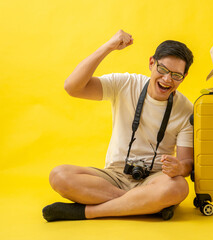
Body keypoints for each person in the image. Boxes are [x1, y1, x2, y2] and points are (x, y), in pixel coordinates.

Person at [42, 29, 194, 221]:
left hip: (155, 179)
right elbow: (72, 87)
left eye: (176, 75)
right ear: (151, 63)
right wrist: (108, 47)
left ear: (185, 76)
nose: (167, 79)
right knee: (59, 175)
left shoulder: (186, 110)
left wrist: (179, 168)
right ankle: (148, 206)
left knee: (179, 187)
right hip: (114, 175)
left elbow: (187, 163)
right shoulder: (126, 84)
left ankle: (88, 212)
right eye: (162, 69)